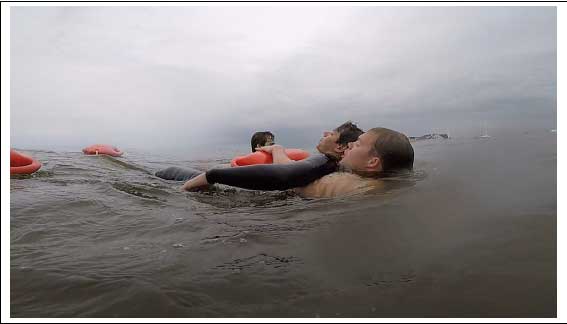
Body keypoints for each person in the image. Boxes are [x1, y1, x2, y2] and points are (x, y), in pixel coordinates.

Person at [182, 127, 414, 198]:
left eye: (358, 144)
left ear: (373, 162)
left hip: (247, 192)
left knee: (177, 174)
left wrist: (212, 174)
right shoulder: (379, 185)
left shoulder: (361, 187)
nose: (352, 144)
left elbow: (286, 176)